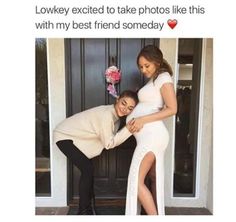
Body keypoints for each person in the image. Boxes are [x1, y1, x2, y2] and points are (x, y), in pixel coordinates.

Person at [54, 90, 138, 215]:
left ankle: (87, 207)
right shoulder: (107, 115)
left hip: (73, 136)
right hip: (64, 136)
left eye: (130, 108)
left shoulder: (115, 117)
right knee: (87, 169)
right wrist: (128, 129)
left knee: (88, 169)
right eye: (123, 103)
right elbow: (109, 144)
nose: (125, 109)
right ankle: (83, 211)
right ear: (117, 99)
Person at [125, 45, 177, 215]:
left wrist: (141, 119)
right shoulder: (154, 79)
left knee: (136, 182)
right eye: (141, 67)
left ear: (157, 61)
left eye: (147, 65)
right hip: (150, 136)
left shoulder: (163, 77)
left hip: (152, 137)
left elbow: (172, 109)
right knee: (154, 178)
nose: (143, 69)